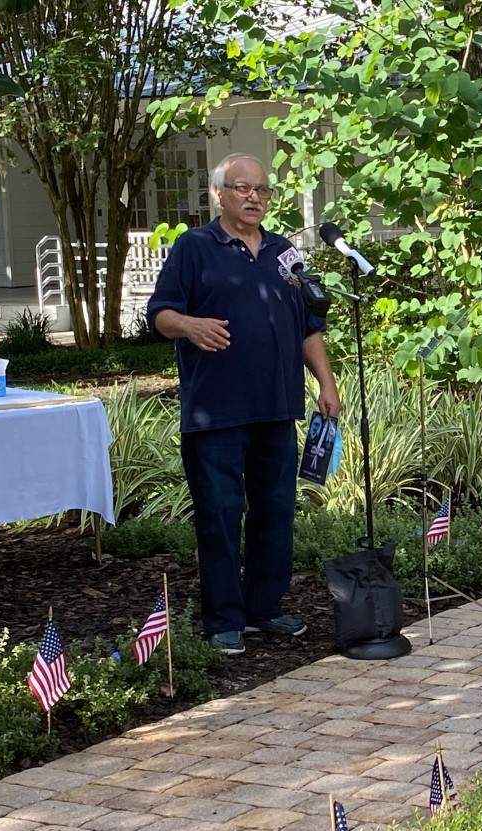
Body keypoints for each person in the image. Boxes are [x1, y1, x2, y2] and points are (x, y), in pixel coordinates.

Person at [146, 153, 341, 654]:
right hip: (217, 412)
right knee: (220, 515)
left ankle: (265, 607)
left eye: (261, 190)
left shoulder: (284, 252)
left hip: (277, 408)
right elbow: (160, 313)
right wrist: (190, 325)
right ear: (219, 194)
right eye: (242, 188)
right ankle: (223, 619)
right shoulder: (195, 247)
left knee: (275, 512)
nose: (254, 197)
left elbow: (308, 327)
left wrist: (326, 383)